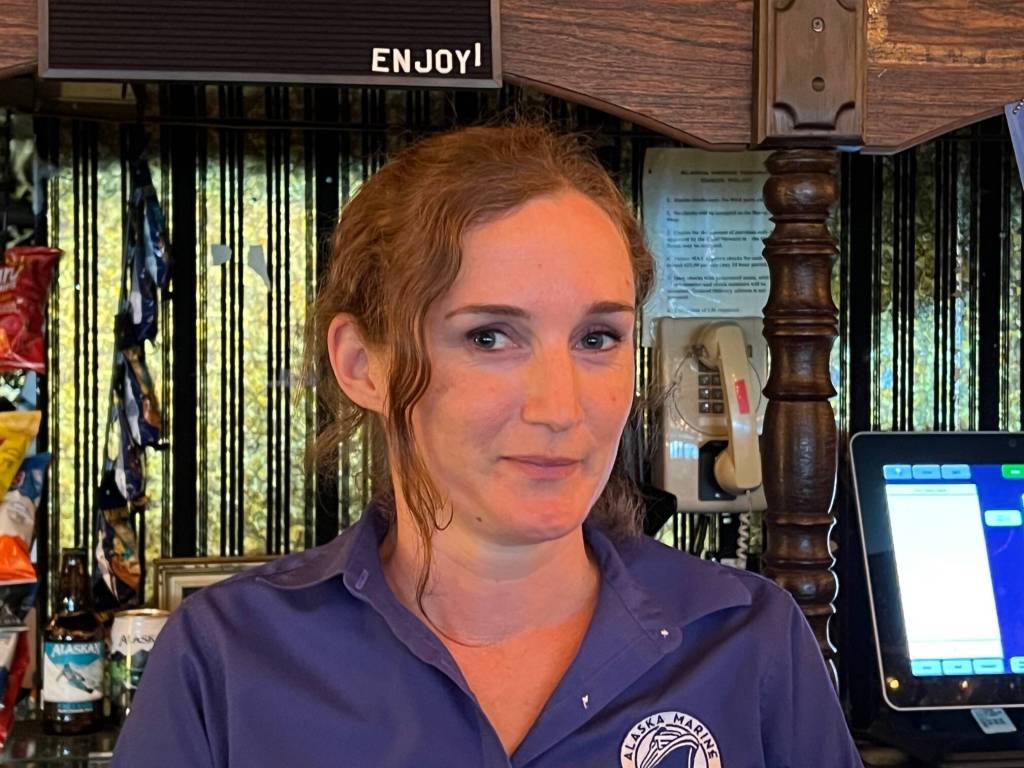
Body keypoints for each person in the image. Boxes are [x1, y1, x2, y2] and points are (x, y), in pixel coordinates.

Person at [113, 122, 864, 768]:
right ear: (361, 365)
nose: (560, 406)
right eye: (490, 337)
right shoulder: (227, 661)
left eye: (597, 338)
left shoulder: (745, 641)